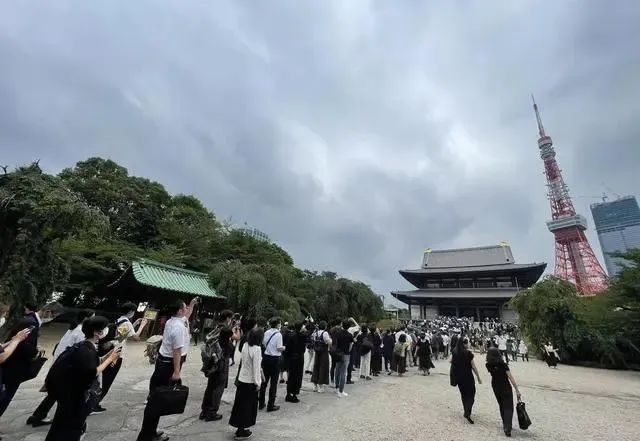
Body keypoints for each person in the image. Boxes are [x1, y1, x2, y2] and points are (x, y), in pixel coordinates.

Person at [44, 316, 122, 441]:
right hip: (75, 397)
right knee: (70, 428)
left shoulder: (83, 346)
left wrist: (106, 357)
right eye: (104, 328)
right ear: (97, 332)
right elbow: (92, 372)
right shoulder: (87, 350)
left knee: (60, 425)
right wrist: (110, 360)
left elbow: (87, 365)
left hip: (67, 394)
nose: (107, 330)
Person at [137, 298, 198, 441]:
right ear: (179, 310)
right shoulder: (178, 327)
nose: (186, 308)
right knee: (157, 400)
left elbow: (187, 315)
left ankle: (151, 430)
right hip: (169, 364)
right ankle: (147, 435)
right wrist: (177, 371)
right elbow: (177, 351)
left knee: (156, 398)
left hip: (163, 361)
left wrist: (193, 304)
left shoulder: (174, 320)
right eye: (185, 307)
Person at [27, 309, 95, 427]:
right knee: (61, 394)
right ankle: (43, 417)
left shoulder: (74, 328)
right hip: (66, 367)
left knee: (54, 393)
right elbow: (81, 352)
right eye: (93, 317)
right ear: (86, 319)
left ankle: (38, 415)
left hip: (60, 363)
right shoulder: (80, 332)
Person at [94, 302, 148, 413]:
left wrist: (135, 324)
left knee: (103, 378)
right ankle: (94, 404)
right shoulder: (127, 323)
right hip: (115, 354)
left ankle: (94, 402)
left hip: (107, 352)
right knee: (108, 380)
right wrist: (142, 325)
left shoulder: (120, 320)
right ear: (131, 312)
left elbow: (120, 334)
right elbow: (135, 337)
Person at [0, 302, 41, 418]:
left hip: (10, 365)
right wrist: (16, 340)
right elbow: (1, 357)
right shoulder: (30, 322)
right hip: (13, 366)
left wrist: (11, 341)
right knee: (5, 395)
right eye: (4, 315)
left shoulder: (27, 321)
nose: (5, 318)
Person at [200, 309, 236, 422]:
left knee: (210, 386)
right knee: (218, 387)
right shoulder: (226, 329)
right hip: (221, 360)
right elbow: (235, 340)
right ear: (228, 318)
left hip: (213, 360)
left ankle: (204, 411)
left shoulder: (216, 327)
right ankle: (212, 412)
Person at [229, 328, 263, 440]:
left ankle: (239, 428)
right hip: (250, 382)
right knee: (247, 407)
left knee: (239, 405)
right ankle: (241, 431)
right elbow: (256, 369)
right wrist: (258, 383)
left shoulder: (245, 345)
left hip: (242, 379)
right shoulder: (257, 349)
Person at [486, 347, 522, 437]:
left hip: (495, 386)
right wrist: (517, 390)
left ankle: (505, 423)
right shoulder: (503, 365)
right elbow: (511, 377)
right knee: (508, 406)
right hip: (505, 386)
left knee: (501, 405)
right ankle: (507, 427)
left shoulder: (488, 365)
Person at [451, 337, 482, 424]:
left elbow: (451, 362)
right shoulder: (468, 353)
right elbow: (473, 366)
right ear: (464, 344)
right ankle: (467, 411)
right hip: (468, 376)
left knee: (463, 394)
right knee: (471, 394)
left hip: (459, 377)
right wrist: (478, 377)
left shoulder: (455, 352)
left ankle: (466, 409)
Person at [259, 317, 285, 412]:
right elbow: (279, 348)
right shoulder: (279, 335)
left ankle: (261, 403)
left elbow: (263, 343)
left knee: (264, 381)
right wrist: (284, 348)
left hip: (266, 358)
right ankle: (271, 404)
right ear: (278, 324)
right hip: (275, 359)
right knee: (273, 383)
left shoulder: (266, 332)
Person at [334, 319, 354, 398]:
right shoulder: (349, 335)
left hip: (338, 353)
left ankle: (337, 387)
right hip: (346, 354)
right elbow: (351, 344)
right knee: (343, 373)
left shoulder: (338, 333)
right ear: (349, 326)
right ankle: (341, 391)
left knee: (337, 371)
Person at [311, 321, 331, 392]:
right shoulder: (325, 333)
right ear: (325, 326)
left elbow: (312, 339)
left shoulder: (315, 333)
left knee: (316, 367)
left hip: (317, 352)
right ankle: (320, 386)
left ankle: (315, 386)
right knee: (323, 367)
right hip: (323, 352)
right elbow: (329, 342)